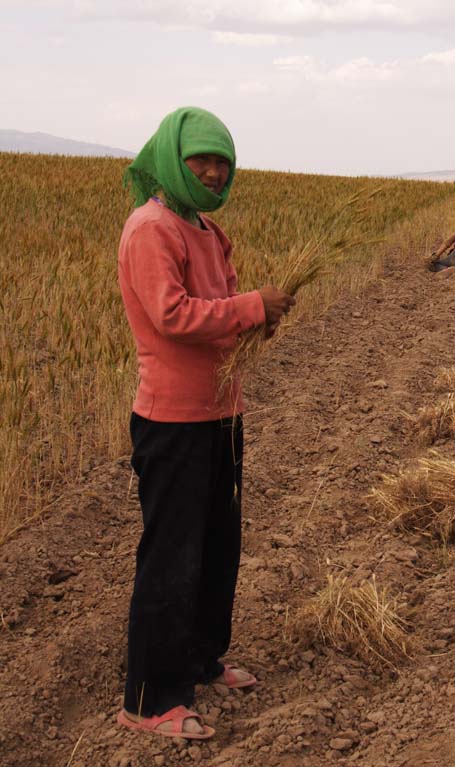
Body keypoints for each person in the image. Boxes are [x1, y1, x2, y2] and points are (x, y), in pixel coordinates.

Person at [116, 107, 295, 740]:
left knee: (218, 545)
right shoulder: (151, 228)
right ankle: (149, 698)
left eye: (223, 162)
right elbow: (171, 314)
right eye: (202, 160)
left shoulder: (207, 230)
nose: (215, 171)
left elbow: (222, 313)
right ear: (172, 160)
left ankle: (198, 660)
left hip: (221, 411)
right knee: (172, 553)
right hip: (173, 420)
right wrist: (250, 306)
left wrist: (259, 318)